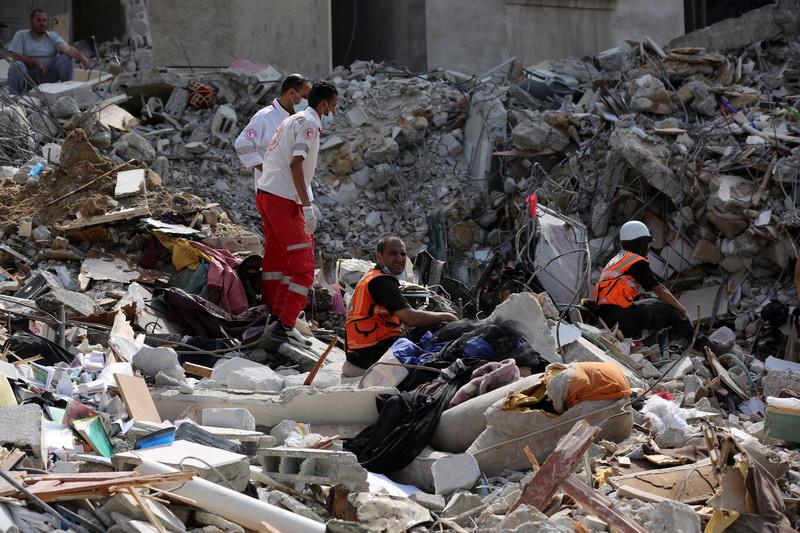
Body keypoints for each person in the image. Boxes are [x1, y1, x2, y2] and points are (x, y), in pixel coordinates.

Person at [258, 80, 338, 348]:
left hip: (267, 194)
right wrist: (306, 206)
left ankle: (275, 318)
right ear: (323, 104)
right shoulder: (309, 123)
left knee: (281, 261)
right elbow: (296, 164)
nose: (334, 112)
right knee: (303, 266)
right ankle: (286, 324)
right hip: (284, 199)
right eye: (333, 106)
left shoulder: (292, 120)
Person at [593, 220, 732, 356]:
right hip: (619, 318)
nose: (648, 248)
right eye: (647, 243)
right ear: (640, 243)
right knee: (670, 312)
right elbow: (659, 289)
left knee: (651, 305)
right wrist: (682, 310)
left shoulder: (617, 260)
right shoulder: (635, 262)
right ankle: (708, 347)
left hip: (608, 318)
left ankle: (643, 344)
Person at [344, 236, 459, 376]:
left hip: (361, 351)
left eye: (403, 254)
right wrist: (448, 316)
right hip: (371, 354)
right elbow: (410, 319)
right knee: (440, 326)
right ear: (379, 257)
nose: (399, 259)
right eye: (392, 253)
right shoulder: (382, 282)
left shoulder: (371, 276)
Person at [235, 74, 311, 193]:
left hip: (296, 192)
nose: (307, 102)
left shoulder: (299, 119)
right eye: (304, 97)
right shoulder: (265, 117)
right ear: (291, 93)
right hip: (273, 192)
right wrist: (269, 171)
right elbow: (243, 144)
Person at [8, 9, 92, 95]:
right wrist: (37, 63)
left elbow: (67, 49)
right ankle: (14, 99)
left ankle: (67, 95)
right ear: (30, 21)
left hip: (48, 75)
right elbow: (15, 56)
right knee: (17, 65)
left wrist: (81, 57)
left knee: (66, 58)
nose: (42, 23)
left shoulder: (52, 36)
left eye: (44, 20)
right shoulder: (21, 35)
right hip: (29, 77)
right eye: (38, 20)